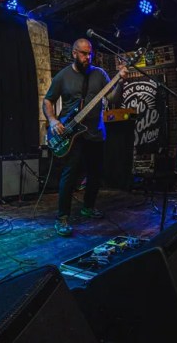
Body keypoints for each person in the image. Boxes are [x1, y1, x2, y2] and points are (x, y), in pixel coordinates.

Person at [43, 38, 127, 237]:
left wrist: (121, 80)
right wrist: (54, 121)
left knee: (95, 174)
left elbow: (113, 98)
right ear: (74, 53)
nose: (87, 57)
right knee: (70, 174)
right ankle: (62, 217)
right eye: (83, 53)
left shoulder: (100, 74)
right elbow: (48, 100)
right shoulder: (63, 76)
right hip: (72, 132)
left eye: (89, 53)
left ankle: (88, 207)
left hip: (95, 133)